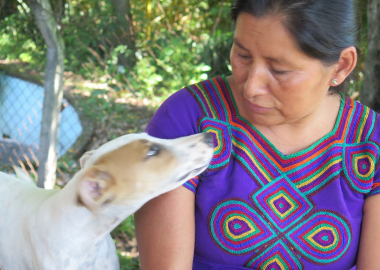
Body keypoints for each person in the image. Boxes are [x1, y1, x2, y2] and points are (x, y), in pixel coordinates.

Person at [134, 0, 380, 269]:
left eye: (279, 70)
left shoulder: (371, 145)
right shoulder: (189, 120)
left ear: (342, 66)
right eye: (243, 56)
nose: (251, 87)